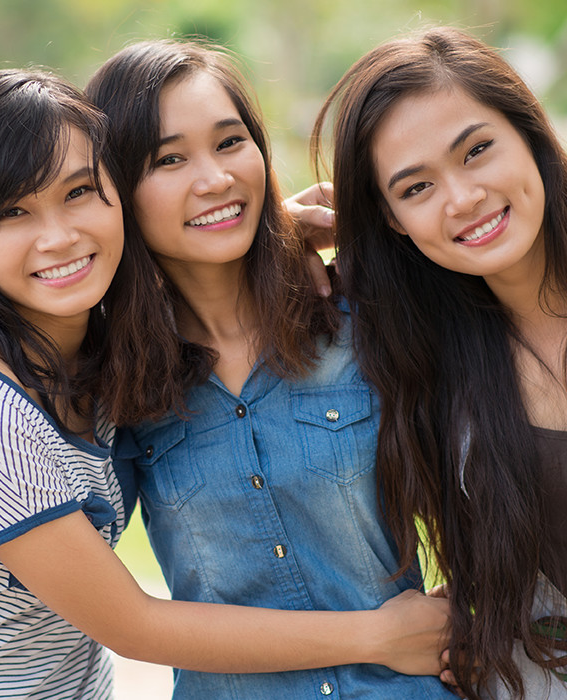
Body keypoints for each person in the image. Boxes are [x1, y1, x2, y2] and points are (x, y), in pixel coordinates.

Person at [0, 68, 452, 700]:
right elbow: (133, 624)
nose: (59, 235)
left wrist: (265, 235)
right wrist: (377, 637)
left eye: (78, 192)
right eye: (11, 212)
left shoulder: (96, 364)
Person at [86, 39, 458, 699]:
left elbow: (497, 469)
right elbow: (119, 611)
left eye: (230, 143)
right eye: (170, 159)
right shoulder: (114, 377)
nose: (215, 179)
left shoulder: (359, 316)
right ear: (117, 189)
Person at [312, 25, 567, 700]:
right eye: (416, 187)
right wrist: (280, 235)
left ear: (529, 136)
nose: (462, 198)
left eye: (477, 150)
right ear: (392, 219)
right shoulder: (415, 346)